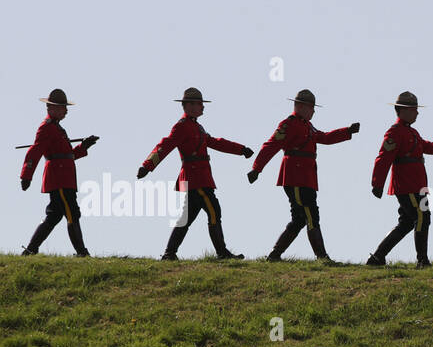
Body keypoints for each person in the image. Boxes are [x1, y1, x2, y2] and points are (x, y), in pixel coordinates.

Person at [137, 87, 252, 260]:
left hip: (198, 178)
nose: (203, 107)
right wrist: (147, 165)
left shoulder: (196, 126)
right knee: (214, 211)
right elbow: (164, 146)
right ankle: (222, 253)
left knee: (186, 219)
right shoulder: (181, 127)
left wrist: (241, 149)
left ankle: (169, 253)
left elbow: (215, 142)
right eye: (200, 104)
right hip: (195, 179)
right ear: (189, 106)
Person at [249, 89, 359, 262]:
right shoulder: (289, 124)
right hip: (296, 176)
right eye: (311, 107)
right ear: (300, 106)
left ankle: (274, 255)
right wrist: (257, 168)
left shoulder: (306, 125)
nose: (313, 111)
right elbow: (271, 145)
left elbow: (323, 137)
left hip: (305, 177)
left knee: (300, 219)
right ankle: (322, 257)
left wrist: (347, 131)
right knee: (311, 214)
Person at [368, 91, 433, 267]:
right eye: (414, 109)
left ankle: (377, 257)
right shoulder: (394, 132)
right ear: (403, 110)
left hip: (420, 185)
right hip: (406, 185)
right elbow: (383, 158)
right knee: (422, 217)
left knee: (406, 223)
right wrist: (377, 184)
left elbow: (428, 146)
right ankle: (422, 260)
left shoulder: (412, 132)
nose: (417, 113)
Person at [19, 89, 98, 256]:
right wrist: (26, 175)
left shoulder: (56, 128)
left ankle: (31, 250)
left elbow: (67, 156)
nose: (66, 111)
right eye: (63, 107)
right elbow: (35, 152)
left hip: (64, 177)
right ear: (52, 108)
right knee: (72, 213)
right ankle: (82, 252)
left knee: (54, 216)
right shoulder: (46, 128)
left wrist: (84, 146)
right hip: (60, 179)